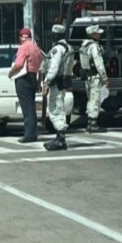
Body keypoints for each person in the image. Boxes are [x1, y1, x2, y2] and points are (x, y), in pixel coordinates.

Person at [7, 28, 43, 143]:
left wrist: (11, 73)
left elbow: (18, 64)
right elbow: (41, 66)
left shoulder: (23, 47)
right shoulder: (36, 48)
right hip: (33, 77)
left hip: (23, 79)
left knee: (27, 109)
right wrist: (38, 83)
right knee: (31, 107)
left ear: (20, 37)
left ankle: (29, 134)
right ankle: (33, 133)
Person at [43, 24, 74, 152]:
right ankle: (59, 137)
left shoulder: (58, 49)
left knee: (55, 108)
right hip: (63, 81)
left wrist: (47, 82)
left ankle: (60, 139)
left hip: (56, 81)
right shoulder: (68, 47)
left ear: (55, 35)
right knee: (58, 106)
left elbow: (54, 67)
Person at [79, 25, 108, 133]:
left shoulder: (84, 45)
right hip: (95, 76)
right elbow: (98, 63)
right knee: (95, 99)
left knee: (90, 99)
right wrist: (104, 77)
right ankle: (93, 123)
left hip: (87, 75)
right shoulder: (94, 46)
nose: (100, 35)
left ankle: (90, 121)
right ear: (93, 34)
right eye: (98, 33)